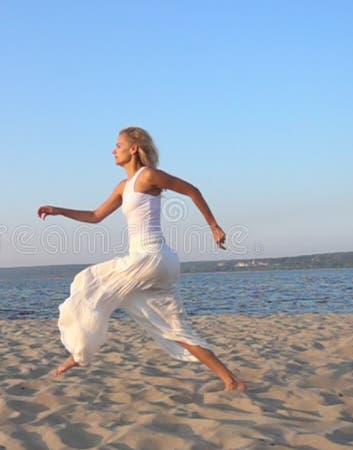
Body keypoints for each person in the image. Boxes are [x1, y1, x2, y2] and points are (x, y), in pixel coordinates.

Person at [37, 127, 246, 392]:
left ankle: (78, 355)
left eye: (118, 145)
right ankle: (232, 381)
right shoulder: (124, 187)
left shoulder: (148, 176)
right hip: (158, 263)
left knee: (89, 284)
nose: (114, 150)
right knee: (174, 328)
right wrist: (58, 211)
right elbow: (95, 215)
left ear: (134, 148)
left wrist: (214, 226)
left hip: (149, 258)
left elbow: (192, 190)